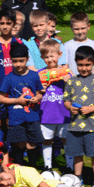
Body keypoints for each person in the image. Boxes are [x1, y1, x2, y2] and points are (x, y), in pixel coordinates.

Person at [63, 46, 94, 186]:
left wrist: (91, 109)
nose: (84, 68)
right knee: (77, 154)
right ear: (75, 63)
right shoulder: (70, 81)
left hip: (93, 126)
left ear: (93, 63)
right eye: (80, 65)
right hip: (75, 126)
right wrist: (70, 107)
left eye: (87, 65)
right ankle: (78, 179)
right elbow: (66, 100)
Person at [0, 43, 44, 166]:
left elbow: (40, 93)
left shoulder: (34, 75)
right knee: (19, 143)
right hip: (15, 118)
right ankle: (20, 169)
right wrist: (17, 101)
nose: (18, 64)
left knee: (32, 143)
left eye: (21, 61)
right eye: (15, 61)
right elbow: (1, 98)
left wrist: (36, 98)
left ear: (27, 59)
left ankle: (33, 168)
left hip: (32, 116)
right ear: (11, 61)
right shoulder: (9, 78)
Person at [0, 11, 33, 105]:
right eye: (2, 23)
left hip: (16, 91)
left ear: (13, 24)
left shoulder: (19, 43)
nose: (5, 27)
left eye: (8, 23)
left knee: (13, 119)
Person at [38, 39, 71, 173]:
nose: (50, 59)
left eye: (52, 55)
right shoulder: (39, 74)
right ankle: (48, 166)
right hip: (46, 114)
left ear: (59, 54)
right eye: (46, 57)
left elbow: (75, 90)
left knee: (65, 140)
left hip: (63, 114)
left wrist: (69, 82)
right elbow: (35, 93)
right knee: (46, 140)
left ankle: (70, 166)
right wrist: (40, 89)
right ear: (42, 58)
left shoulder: (66, 73)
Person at [64, 12, 94, 76]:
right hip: (73, 81)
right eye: (76, 29)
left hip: (90, 82)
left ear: (88, 26)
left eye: (83, 28)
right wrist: (72, 79)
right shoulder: (67, 46)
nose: (80, 32)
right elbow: (65, 66)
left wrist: (92, 79)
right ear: (71, 28)